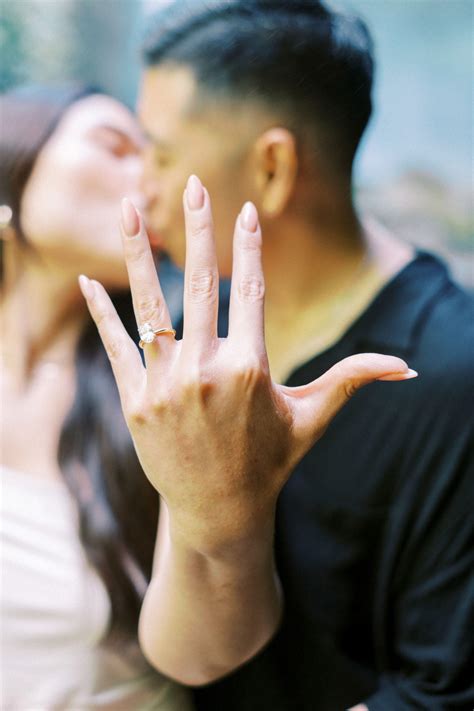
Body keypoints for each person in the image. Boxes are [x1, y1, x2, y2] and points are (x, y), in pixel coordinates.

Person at [104, 1, 472, 709]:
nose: (140, 184)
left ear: (272, 167)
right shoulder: (181, 333)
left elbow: (442, 690)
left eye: (163, 152)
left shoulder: (452, 373)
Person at [0, 85, 193, 710]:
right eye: (117, 147)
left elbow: (208, 650)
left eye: (161, 161)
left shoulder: (161, 387)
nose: (152, 183)